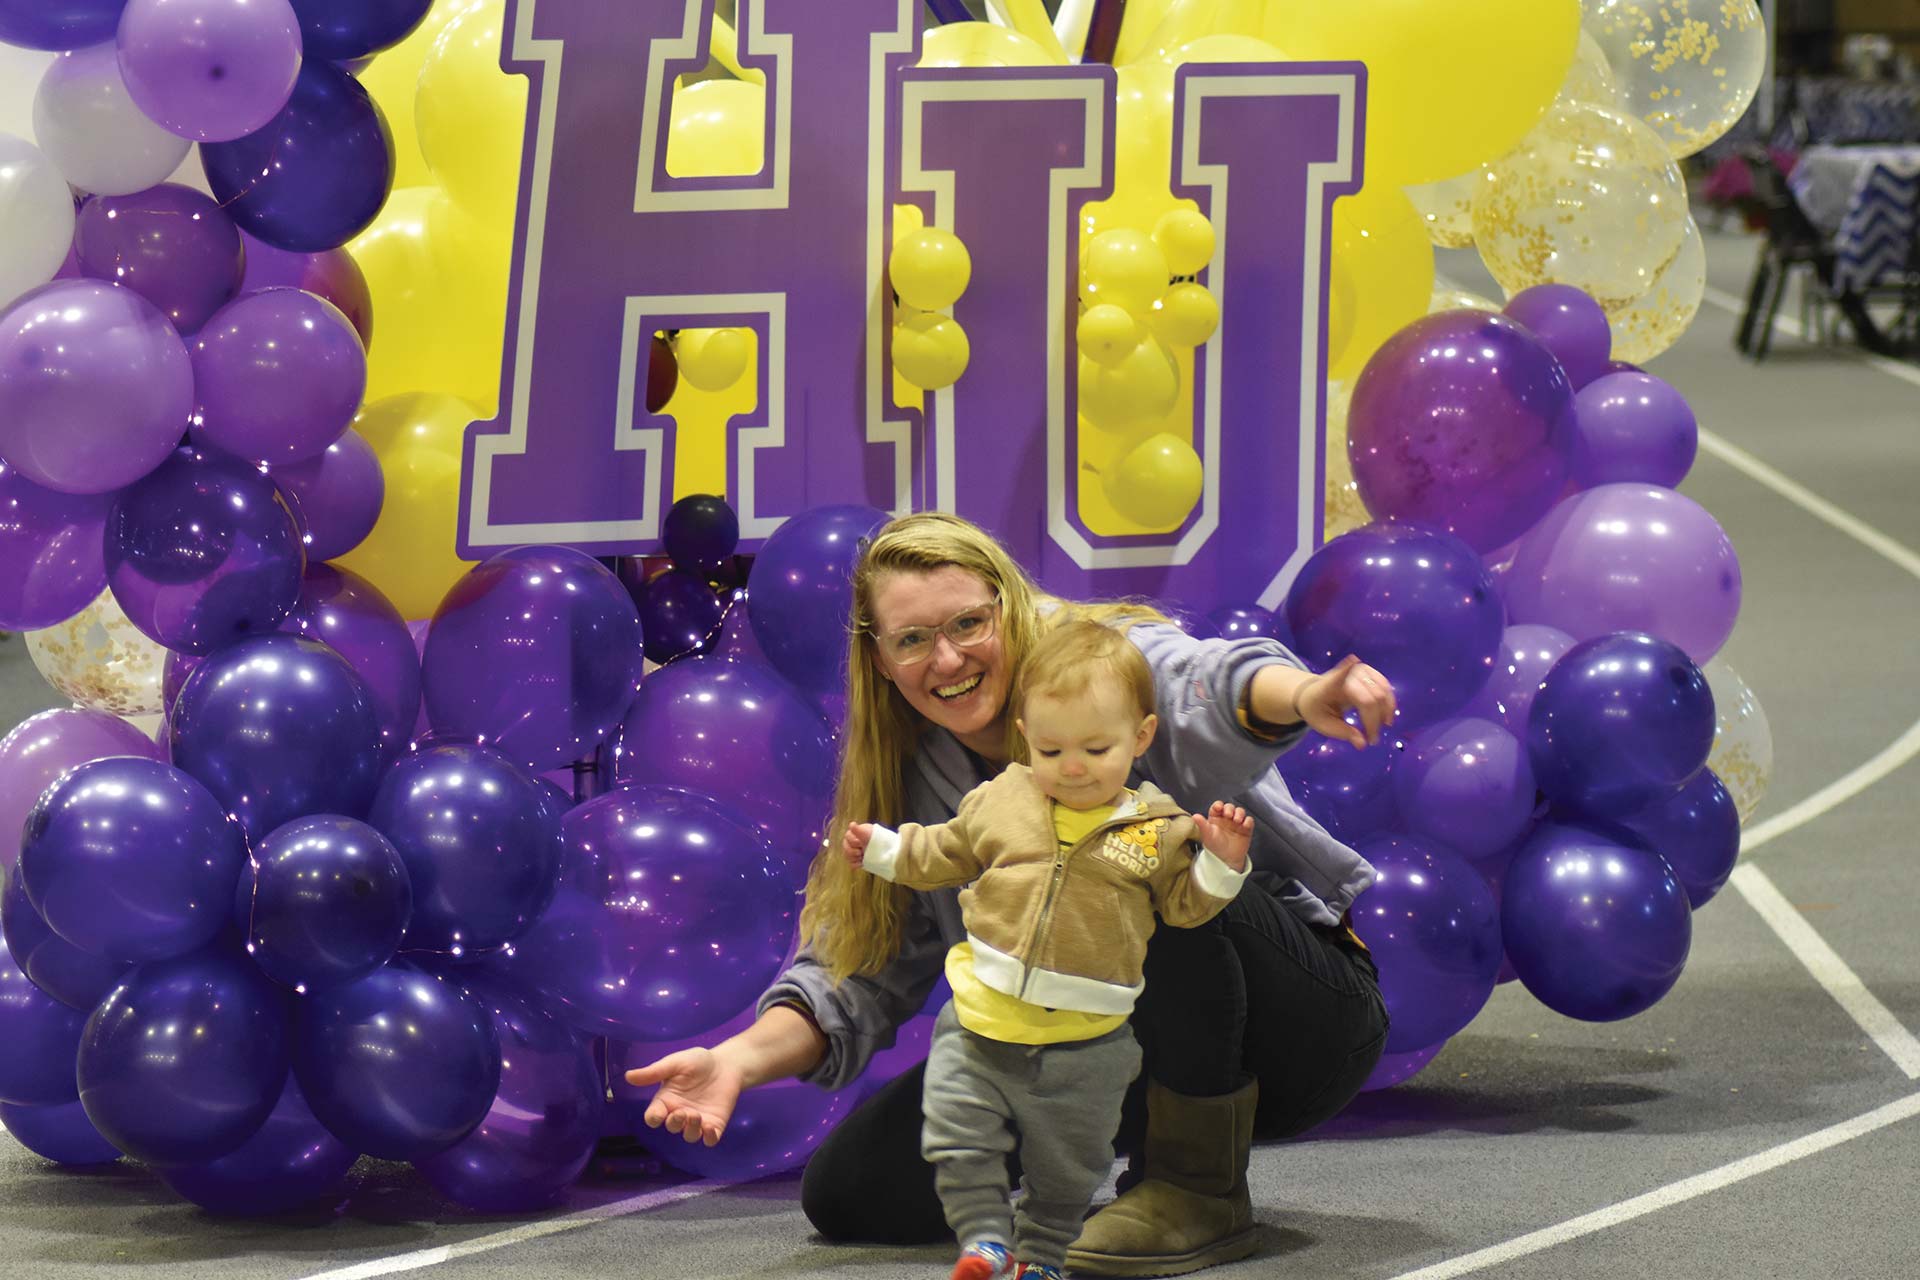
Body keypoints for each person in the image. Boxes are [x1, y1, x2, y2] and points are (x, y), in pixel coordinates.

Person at [625, 511, 1395, 1277]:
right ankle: (1108, 1142)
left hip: (1296, 1021)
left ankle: (1196, 1189)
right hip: (1096, 1031)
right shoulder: (911, 771)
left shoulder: (1099, 663)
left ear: (1008, 605)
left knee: (1118, 859)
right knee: (856, 1191)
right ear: (881, 660)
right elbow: (858, 965)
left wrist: (1297, 694)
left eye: (968, 622)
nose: (948, 657)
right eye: (913, 640)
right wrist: (735, 1060)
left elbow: (1203, 684)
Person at [842, 620, 1256, 1280]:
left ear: (1140, 738)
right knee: (956, 1133)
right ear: (1028, 737)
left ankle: (1040, 1255)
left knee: (1068, 1164)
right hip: (981, 1019)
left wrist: (1221, 863)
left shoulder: (1155, 829)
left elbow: (1187, 907)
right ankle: (983, 1240)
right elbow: (945, 852)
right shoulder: (1001, 799)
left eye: (1096, 748)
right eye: (1052, 748)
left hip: (1089, 1039)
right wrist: (887, 850)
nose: (1073, 767)